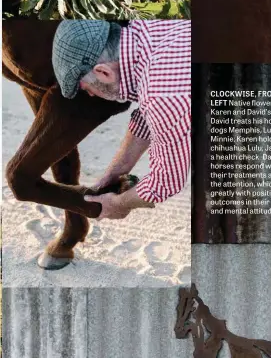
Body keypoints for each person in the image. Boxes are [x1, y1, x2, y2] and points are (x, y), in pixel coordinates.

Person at [51, 19, 191, 220]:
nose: (90, 94)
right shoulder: (148, 31)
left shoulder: (160, 96)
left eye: (85, 87)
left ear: (103, 72)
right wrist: (113, 175)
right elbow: (147, 118)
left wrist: (117, 204)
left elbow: (166, 182)